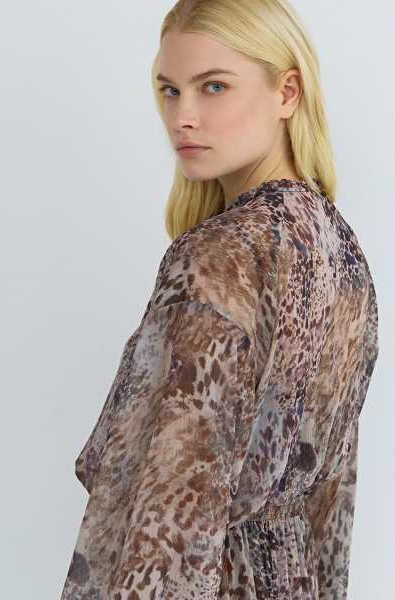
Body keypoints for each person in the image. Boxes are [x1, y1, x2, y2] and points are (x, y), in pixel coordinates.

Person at [61, 0, 379, 598]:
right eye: (170, 90)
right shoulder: (340, 250)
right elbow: (331, 504)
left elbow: (168, 524)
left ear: (287, 93)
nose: (182, 116)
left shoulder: (217, 258)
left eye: (213, 87)